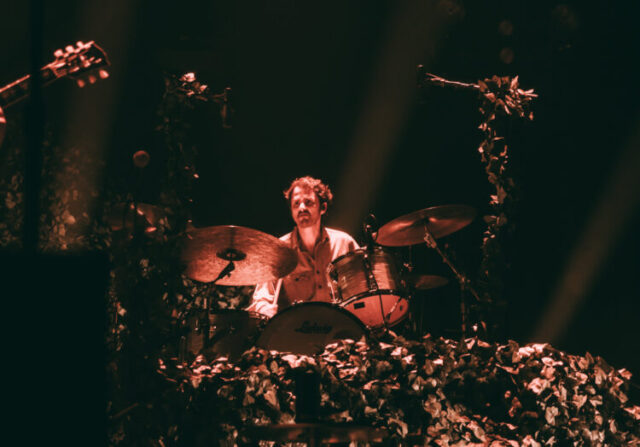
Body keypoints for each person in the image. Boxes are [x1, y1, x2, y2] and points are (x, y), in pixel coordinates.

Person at [247, 176, 359, 317]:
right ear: (292, 211)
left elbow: (365, 290)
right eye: (296, 203)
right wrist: (264, 309)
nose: (302, 208)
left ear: (323, 208)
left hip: (341, 325)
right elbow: (261, 299)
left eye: (308, 202)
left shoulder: (344, 243)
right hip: (297, 327)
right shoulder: (278, 251)